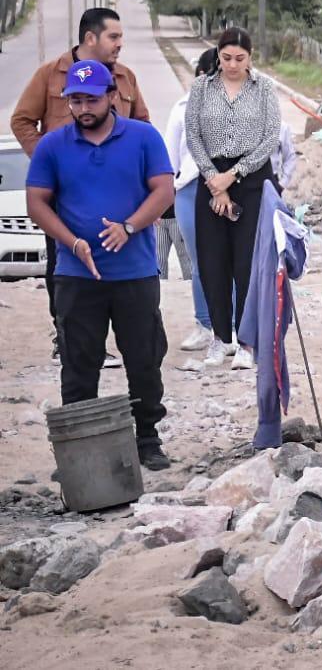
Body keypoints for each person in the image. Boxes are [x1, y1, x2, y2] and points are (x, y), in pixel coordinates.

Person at [24, 59, 175, 470]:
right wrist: (71, 242)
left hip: (135, 272)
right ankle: (79, 448)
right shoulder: (53, 145)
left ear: (112, 97)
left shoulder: (143, 138)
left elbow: (163, 191)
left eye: (91, 99)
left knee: (143, 358)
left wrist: (129, 227)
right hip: (76, 275)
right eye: (75, 100)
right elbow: (36, 201)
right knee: (78, 362)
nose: (83, 108)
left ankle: (147, 437)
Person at [10, 7, 150, 367]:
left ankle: (120, 337)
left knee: (124, 267)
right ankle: (69, 337)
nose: (120, 44)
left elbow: (143, 124)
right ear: (91, 38)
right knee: (66, 264)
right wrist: (49, 162)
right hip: (67, 196)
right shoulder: (50, 75)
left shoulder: (126, 78)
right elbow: (22, 120)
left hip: (118, 194)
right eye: (113, 37)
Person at [186, 28, 282, 371]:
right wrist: (215, 179)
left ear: (250, 57)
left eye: (239, 58)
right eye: (226, 58)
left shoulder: (264, 88)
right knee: (212, 262)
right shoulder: (201, 87)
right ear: (218, 55)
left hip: (251, 179)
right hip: (211, 178)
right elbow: (193, 134)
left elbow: (270, 137)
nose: (232, 65)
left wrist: (235, 175)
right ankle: (219, 338)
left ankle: (245, 341)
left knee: (247, 263)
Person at [164, 49, 218, 353]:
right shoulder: (182, 108)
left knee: (232, 261)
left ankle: (236, 328)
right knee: (201, 262)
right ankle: (204, 324)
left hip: (229, 189)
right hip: (190, 191)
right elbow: (170, 157)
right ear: (200, 76)